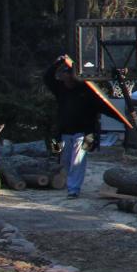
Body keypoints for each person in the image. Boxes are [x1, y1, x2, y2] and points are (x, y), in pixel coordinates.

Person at [43, 55, 102, 199]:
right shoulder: (60, 89)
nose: (67, 77)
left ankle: (74, 189)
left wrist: (93, 135)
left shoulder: (86, 89)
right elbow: (47, 77)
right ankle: (68, 184)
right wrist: (58, 62)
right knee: (64, 160)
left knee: (78, 160)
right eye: (65, 73)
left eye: (69, 73)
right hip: (64, 132)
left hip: (84, 133)